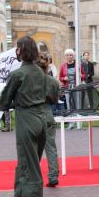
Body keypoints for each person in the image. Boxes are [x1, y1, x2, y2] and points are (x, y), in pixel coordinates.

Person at [0, 36, 53, 197]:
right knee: (25, 165)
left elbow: (4, 101)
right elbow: (52, 92)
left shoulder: (18, 74)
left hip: (27, 121)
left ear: (21, 51)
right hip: (41, 119)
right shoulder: (41, 73)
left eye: (18, 48)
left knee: (29, 167)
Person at [36, 52, 61, 187]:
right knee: (51, 147)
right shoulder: (52, 81)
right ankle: (53, 175)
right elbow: (55, 100)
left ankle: (34, 176)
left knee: (33, 149)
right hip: (48, 113)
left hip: (34, 115)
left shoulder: (30, 81)